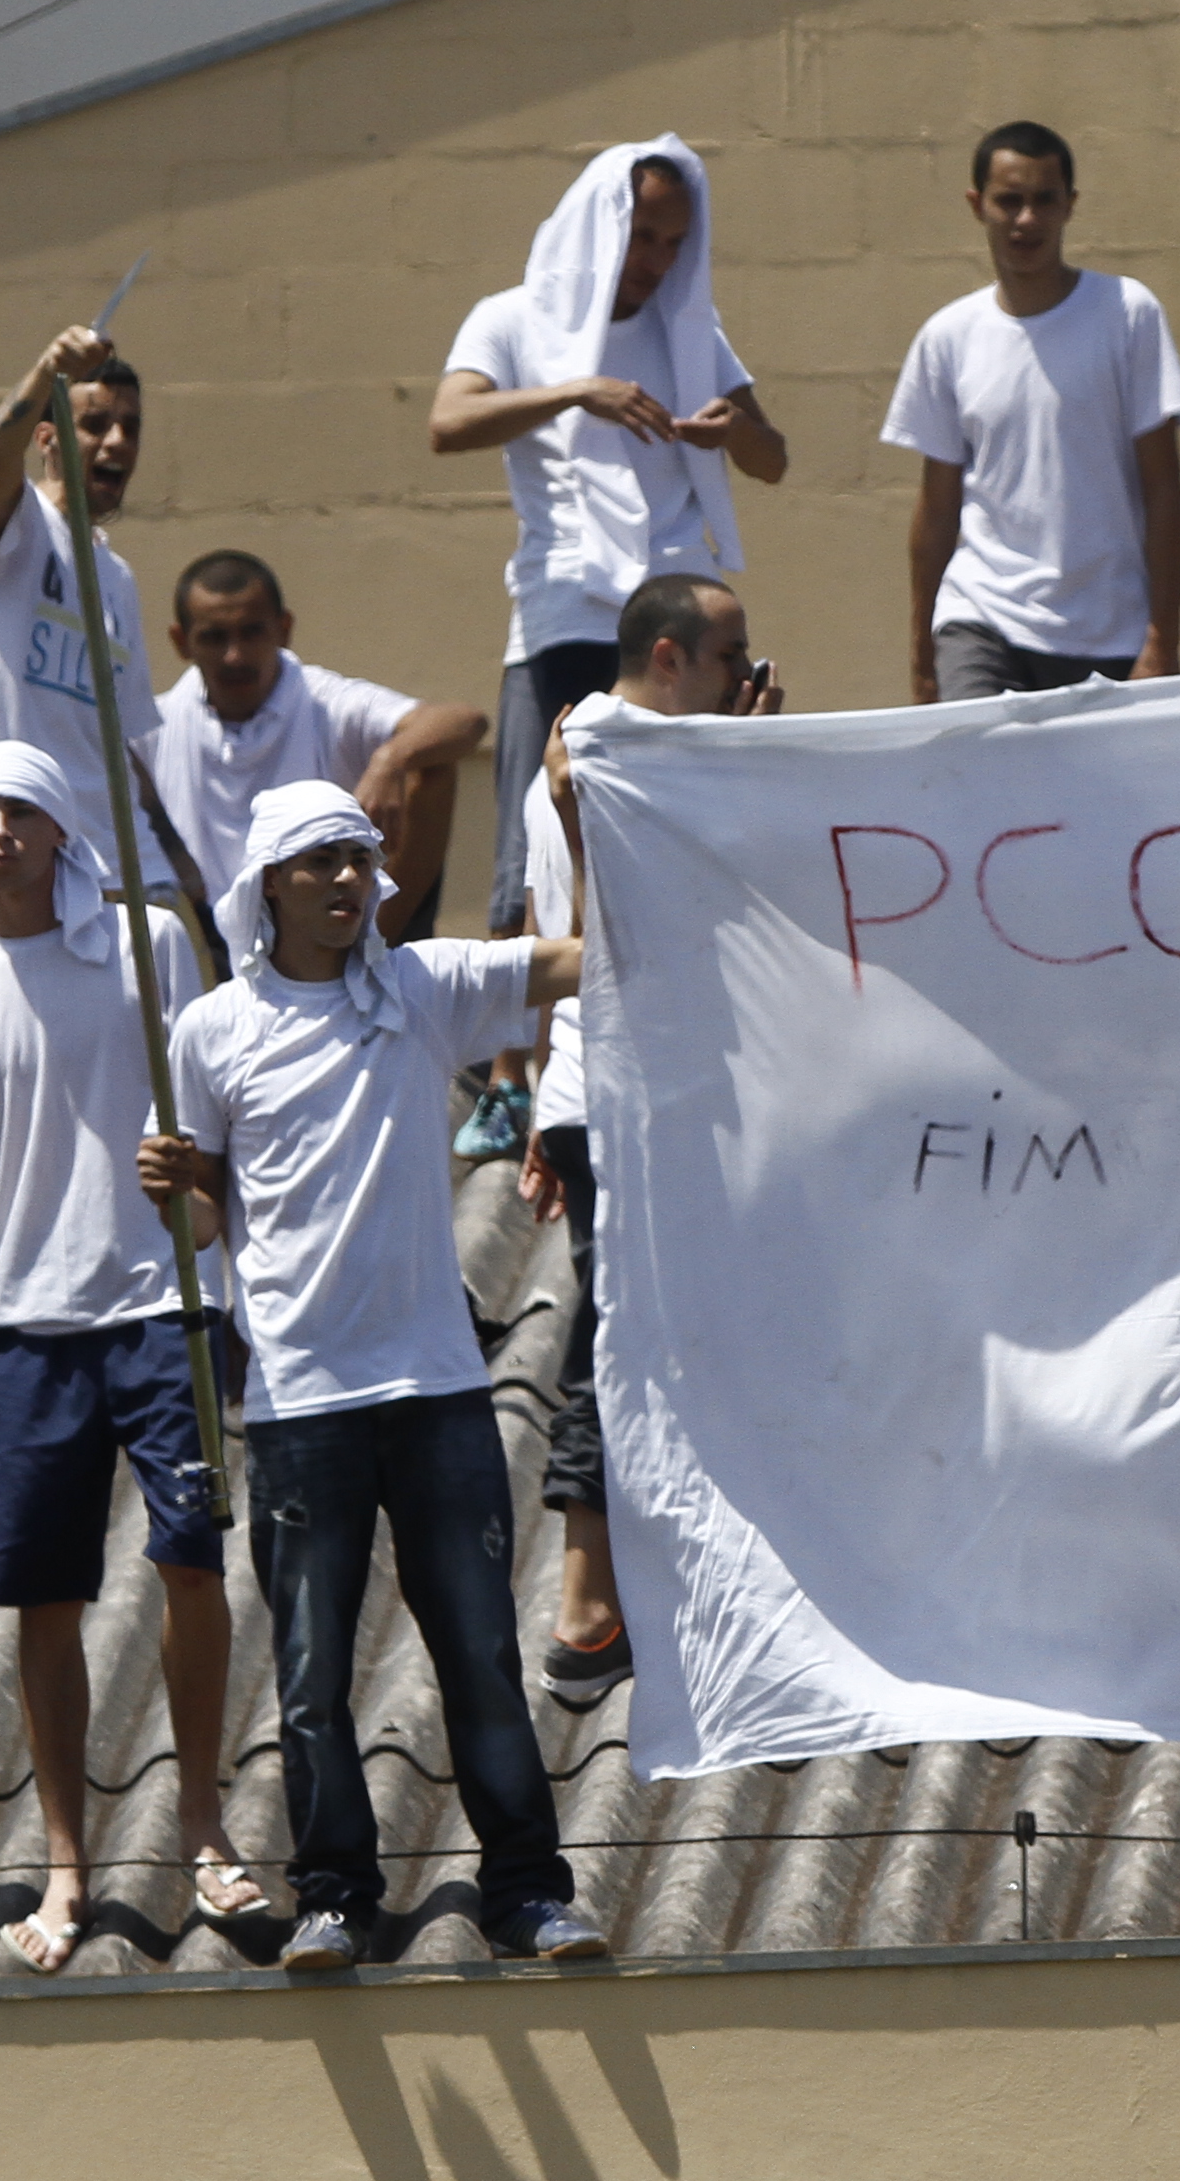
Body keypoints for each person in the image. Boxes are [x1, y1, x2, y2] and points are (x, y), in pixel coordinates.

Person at [143, 786, 601, 1972]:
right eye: (322, 861)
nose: (350, 879)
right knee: (310, 1677)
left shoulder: (424, 986)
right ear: (270, 885)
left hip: (437, 1388)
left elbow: (579, 962)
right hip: (298, 1404)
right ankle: (335, 1897)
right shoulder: (210, 1034)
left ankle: (527, 1891)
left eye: (360, 858)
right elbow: (205, 1223)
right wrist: (174, 1191)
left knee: (481, 1656)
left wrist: (575, 816)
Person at [0, 741, 263, 1973]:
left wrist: (205, 1195)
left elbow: (213, 1095)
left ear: (59, 832)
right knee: (43, 1595)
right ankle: (66, 1862)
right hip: (30, 1325)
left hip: (165, 1304)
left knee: (192, 1562)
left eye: (20, 811)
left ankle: (201, 1826)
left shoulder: (150, 945)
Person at [517, 571, 784, 1714]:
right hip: (636, 1098)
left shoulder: (590, 749)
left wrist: (543, 1098)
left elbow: (553, 941)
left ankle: (643, 1586)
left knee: (659, 1328)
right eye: (729, 657)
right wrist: (741, 769)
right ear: (669, 658)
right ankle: (587, 1604)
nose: (747, 677)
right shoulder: (626, 763)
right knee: (622, 1335)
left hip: (607, 1092)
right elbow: (635, 933)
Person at [433, 138, 778, 934]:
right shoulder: (514, 318)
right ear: (600, 227)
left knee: (683, 841)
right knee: (534, 861)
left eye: (673, 242)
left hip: (676, 625)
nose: (656, 260)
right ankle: (529, 1021)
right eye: (641, 236)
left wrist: (733, 431)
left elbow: (774, 459)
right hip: (567, 614)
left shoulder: (690, 330)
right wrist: (575, 393)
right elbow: (448, 422)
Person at [887, 123, 1180, 699]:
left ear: (1069, 206)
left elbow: (1162, 489)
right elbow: (937, 507)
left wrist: (1163, 638)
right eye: (1009, 200)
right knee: (978, 755)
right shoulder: (947, 337)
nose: (1026, 219)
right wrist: (922, 656)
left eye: (1044, 200)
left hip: (1108, 632)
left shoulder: (1128, 313)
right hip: (981, 619)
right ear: (977, 205)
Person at [0, 325, 171, 905]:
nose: (117, 441)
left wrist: (180, 865)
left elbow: (122, 745)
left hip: (119, 864)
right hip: (18, 850)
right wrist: (47, 371)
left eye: (131, 427)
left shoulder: (118, 579)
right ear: (46, 438)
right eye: (95, 424)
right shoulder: (15, 526)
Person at [139, 549, 484, 922]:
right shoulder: (152, 726)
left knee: (431, 768)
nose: (234, 656)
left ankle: (374, 944)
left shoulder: (326, 701)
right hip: (199, 936)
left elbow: (466, 722)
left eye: (252, 633)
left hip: (326, 934)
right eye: (214, 638)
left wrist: (390, 761)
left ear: (284, 629)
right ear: (181, 642)